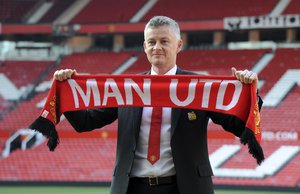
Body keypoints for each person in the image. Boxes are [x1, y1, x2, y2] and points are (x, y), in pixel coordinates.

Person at [54, 16, 262, 194]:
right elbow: (86, 122)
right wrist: (65, 91)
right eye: (151, 42)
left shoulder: (199, 86)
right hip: (131, 187)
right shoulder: (126, 87)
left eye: (164, 41)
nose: (157, 47)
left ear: (179, 45)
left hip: (185, 187)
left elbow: (236, 125)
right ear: (144, 47)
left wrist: (251, 91)